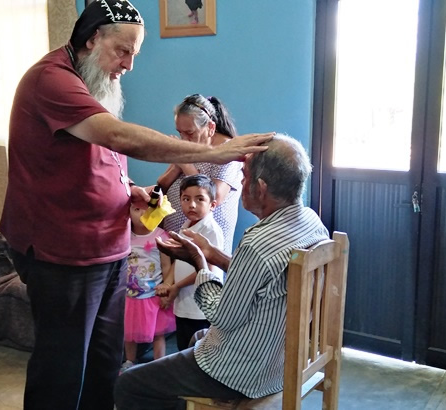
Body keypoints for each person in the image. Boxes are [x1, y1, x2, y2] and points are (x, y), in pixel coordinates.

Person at [0, 1, 272, 408]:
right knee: (62, 368)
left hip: (108, 247)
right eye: (122, 51)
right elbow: (116, 137)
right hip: (64, 251)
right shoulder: (51, 80)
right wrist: (214, 153)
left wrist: (126, 189)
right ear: (92, 39)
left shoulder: (91, 79)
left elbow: (92, 155)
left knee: (105, 363)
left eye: (135, 54)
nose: (128, 65)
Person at [114, 134, 330, 409]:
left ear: (261, 187)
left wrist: (200, 263)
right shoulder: (311, 222)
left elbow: (221, 317)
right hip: (281, 359)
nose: (241, 183)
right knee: (197, 339)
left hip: (244, 371)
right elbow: (268, 279)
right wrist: (214, 254)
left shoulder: (257, 244)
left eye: (245, 176)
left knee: (129, 384)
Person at [158, 94, 242, 254]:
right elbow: (162, 184)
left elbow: (215, 195)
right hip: (175, 242)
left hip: (206, 249)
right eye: (180, 133)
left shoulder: (227, 153)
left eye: (190, 133)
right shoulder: (191, 148)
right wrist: (178, 164)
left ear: (210, 128)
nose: (184, 140)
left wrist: (183, 162)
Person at [164, 174, 224, 351]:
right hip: (184, 303)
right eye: (186, 199)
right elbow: (179, 260)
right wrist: (169, 283)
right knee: (183, 347)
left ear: (212, 205)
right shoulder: (186, 225)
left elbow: (207, 269)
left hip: (200, 306)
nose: (192, 205)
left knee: (198, 351)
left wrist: (177, 286)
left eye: (200, 199)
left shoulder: (210, 230)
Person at [122, 202, 176, 373]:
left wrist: (166, 288)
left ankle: (159, 364)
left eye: (147, 209)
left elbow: (167, 266)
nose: (142, 214)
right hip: (130, 295)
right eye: (136, 209)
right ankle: (129, 361)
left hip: (153, 295)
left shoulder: (161, 237)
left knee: (158, 332)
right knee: (129, 332)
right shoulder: (125, 235)